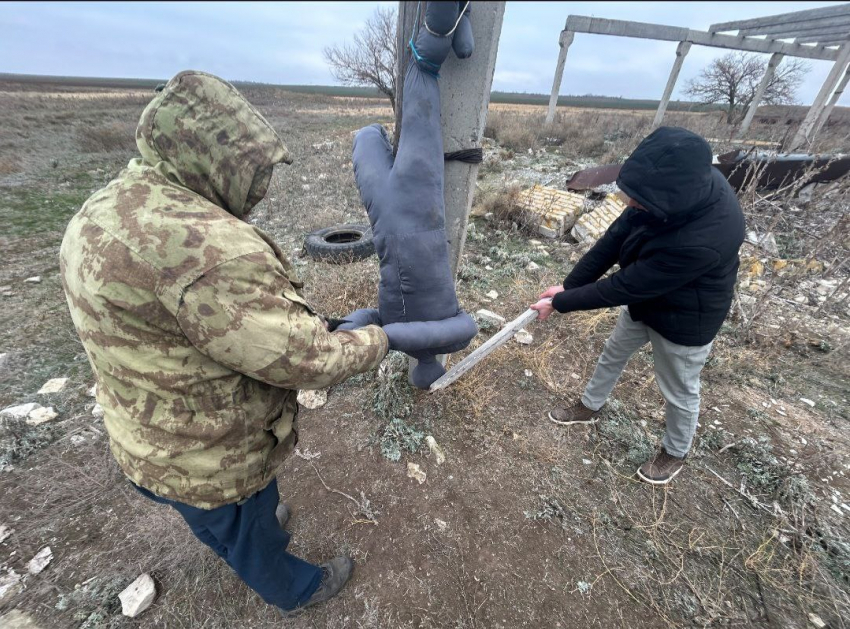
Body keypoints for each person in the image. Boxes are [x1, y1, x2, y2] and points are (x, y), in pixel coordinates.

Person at [60, 70, 390, 613]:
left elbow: (202, 326)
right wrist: (377, 340)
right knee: (243, 527)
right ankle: (294, 588)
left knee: (216, 518)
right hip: (209, 457)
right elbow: (306, 359)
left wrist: (314, 319)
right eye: (251, 172)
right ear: (213, 157)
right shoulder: (208, 252)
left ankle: (245, 535)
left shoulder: (106, 206)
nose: (258, 189)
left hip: (144, 438)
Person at [531, 127, 745, 485]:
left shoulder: (705, 238)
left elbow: (624, 286)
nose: (630, 204)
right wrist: (569, 285)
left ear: (670, 199)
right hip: (647, 300)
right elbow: (614, 239)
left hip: (686, 320)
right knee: (613, 353)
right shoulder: (665, 190)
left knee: (678, 389)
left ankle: (675, 452)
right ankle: (589, 406)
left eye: (638, 200)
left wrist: (563, 302)